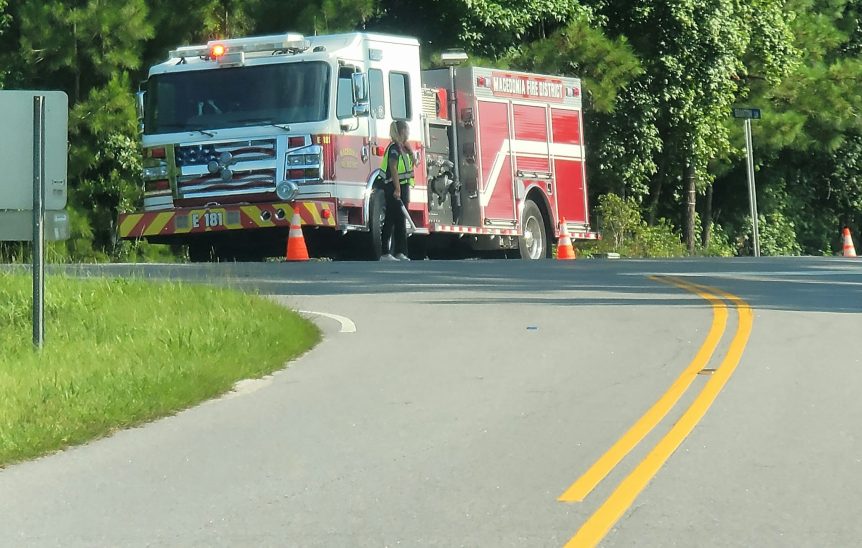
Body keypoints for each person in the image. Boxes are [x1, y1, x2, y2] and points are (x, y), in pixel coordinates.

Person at [379, 120, 414, 261]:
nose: (408, 133)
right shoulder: (394, 148)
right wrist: (398, 189)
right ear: (400, 132)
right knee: (390, 219)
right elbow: (393, 167)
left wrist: (410, 150)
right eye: (406, 130)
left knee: (400, 220)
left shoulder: (402, 148)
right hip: (394, 187)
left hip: (403, 186)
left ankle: (401, 252)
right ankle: (385, 253)